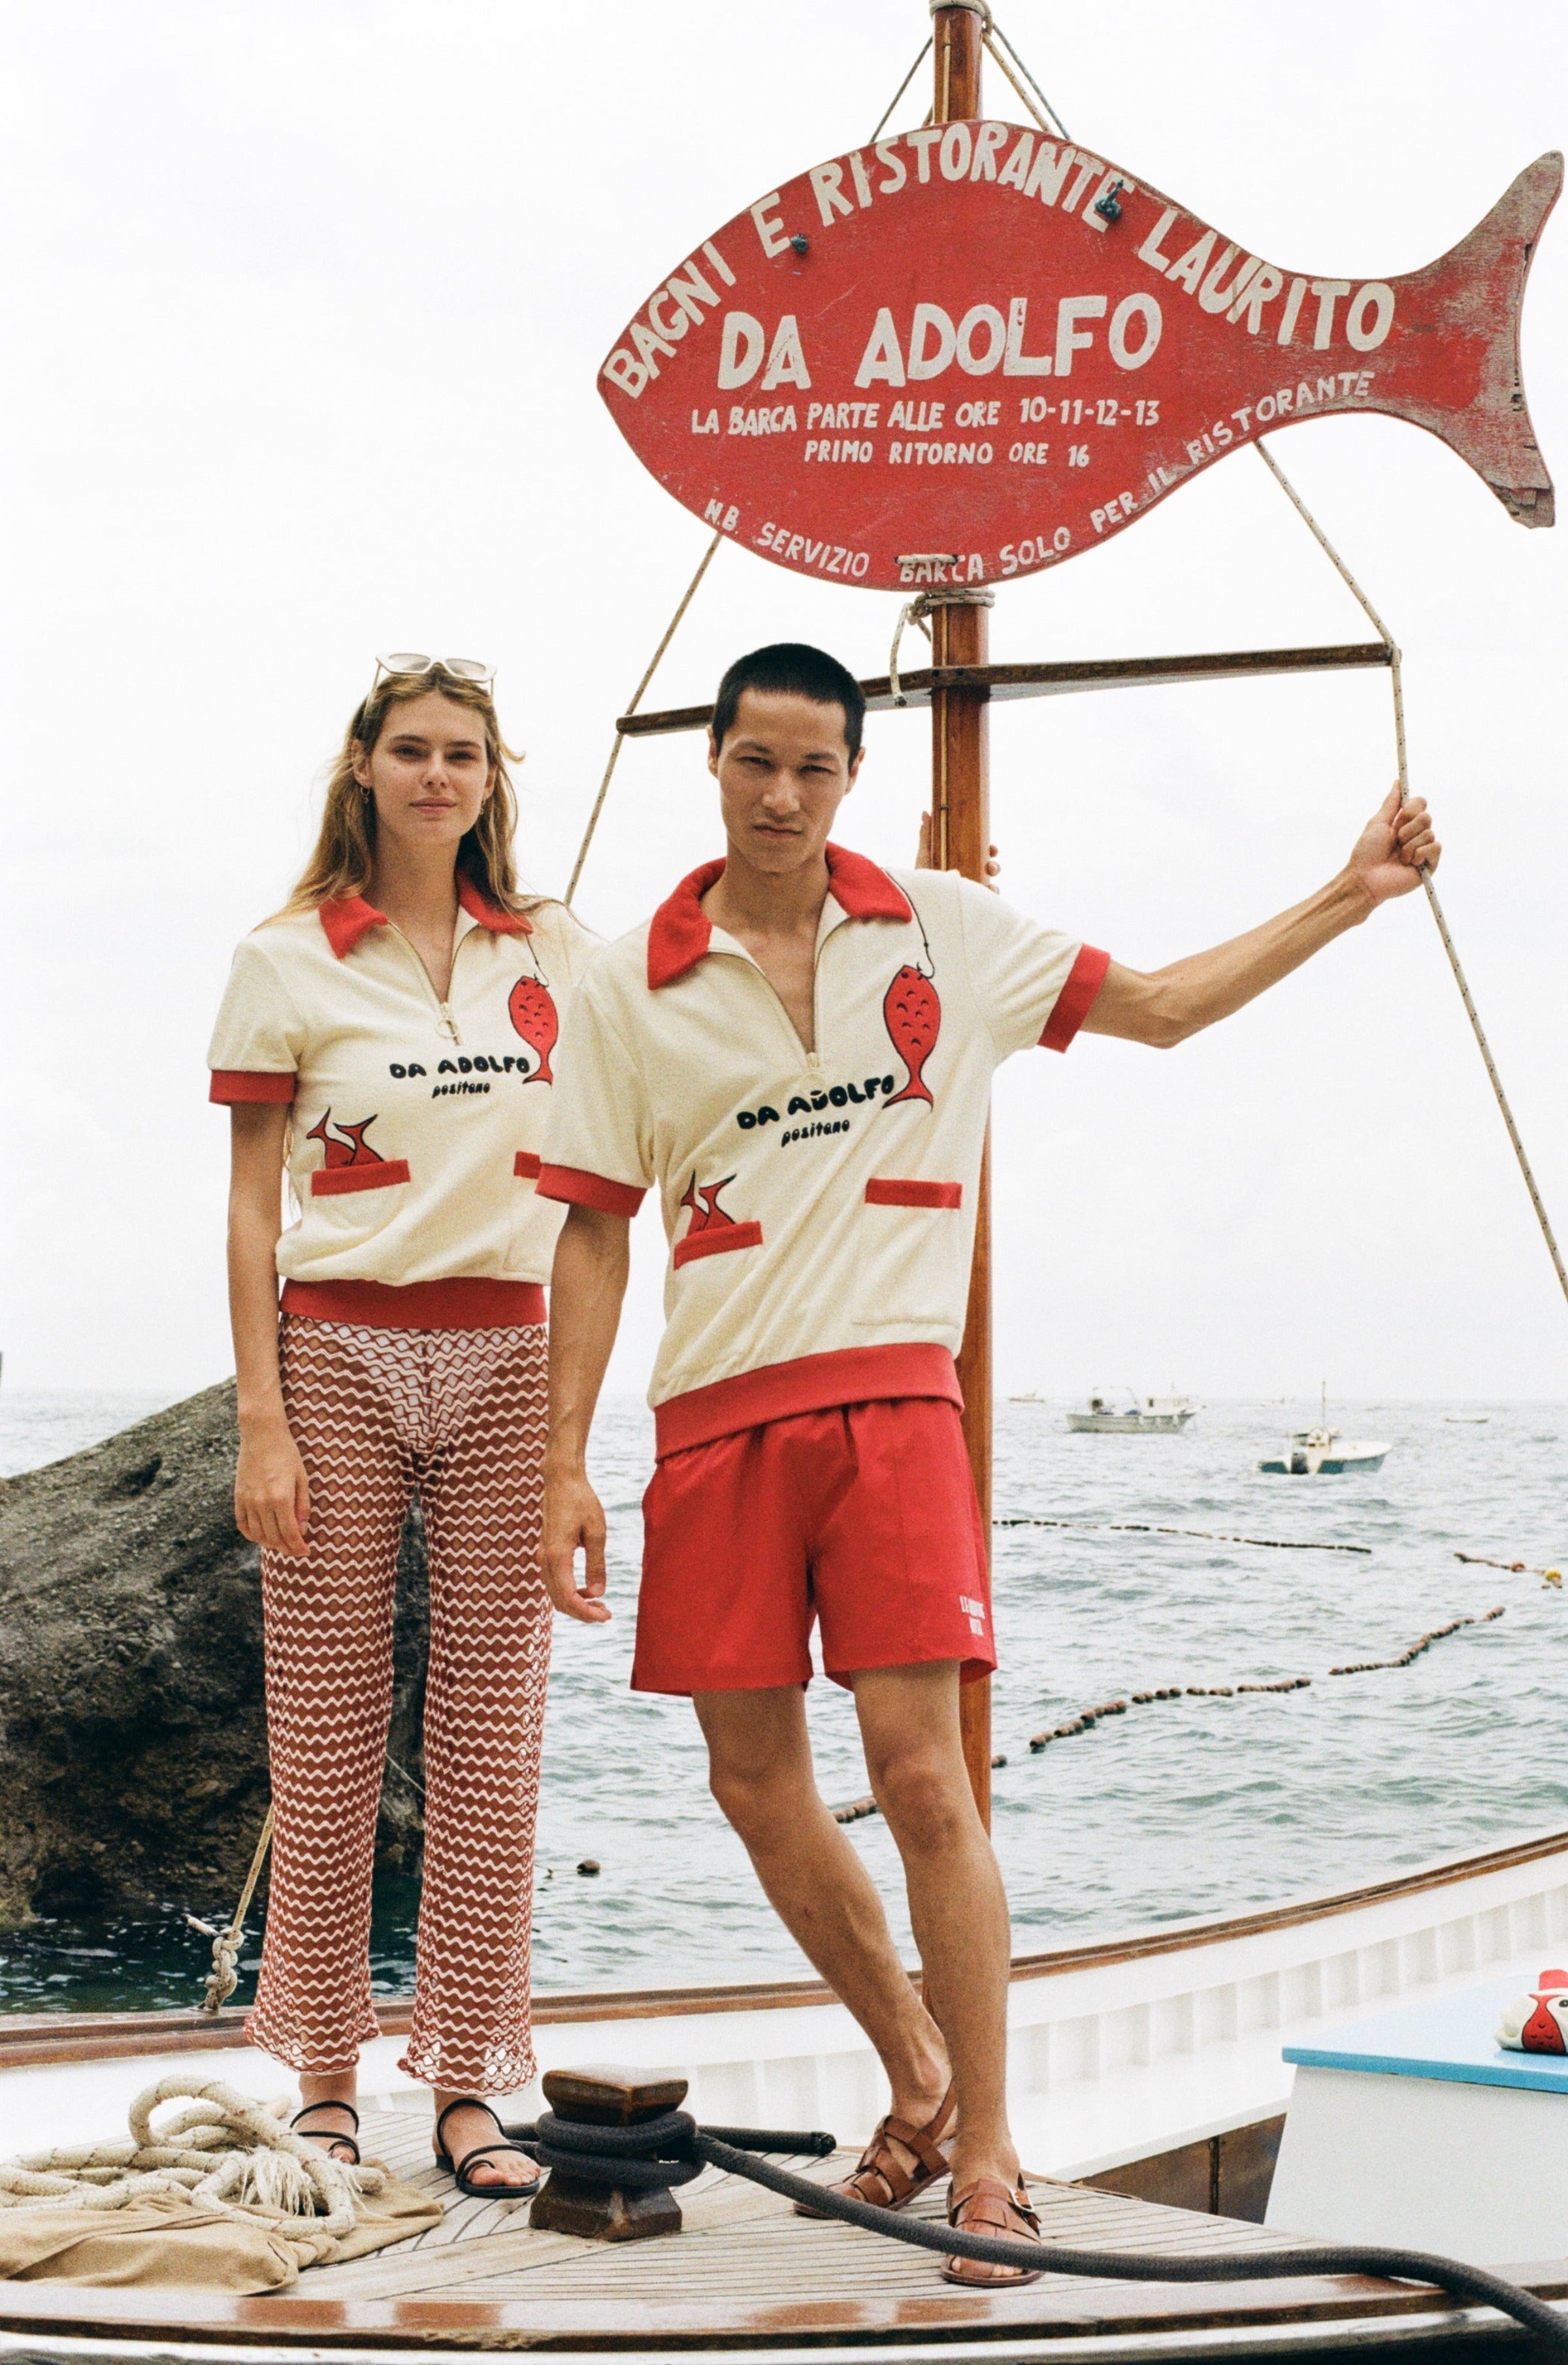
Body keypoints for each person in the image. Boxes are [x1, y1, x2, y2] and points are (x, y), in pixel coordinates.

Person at [534, 640, 1439, 2283]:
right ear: (716, 763)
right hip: (713, 1411)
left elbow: (1158, 1007)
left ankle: (992, 2157)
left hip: (894, 1403)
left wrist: (1350, 891)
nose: (784, 795)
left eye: (815, 767)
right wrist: (560, 1462)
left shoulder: (946, 924)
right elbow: (590, 1228)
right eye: (757, 763)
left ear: (851, 775)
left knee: (925, 1773)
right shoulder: (622, 980)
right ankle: (920, 2071)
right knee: (751, 1785)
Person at [208, 656, 598, 2195]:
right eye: (413, 750)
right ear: (363, 766)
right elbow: (250, 1208)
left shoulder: (556, 949)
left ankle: (465, 2082)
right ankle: (321, 2077)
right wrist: (261, 1419)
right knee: (326, 1734)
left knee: (494, 1744)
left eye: (467, 754)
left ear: (496, 779)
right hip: (336, 1356)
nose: (441, 775)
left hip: (511, 1358)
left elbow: (683, 1050)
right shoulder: (286, 955)